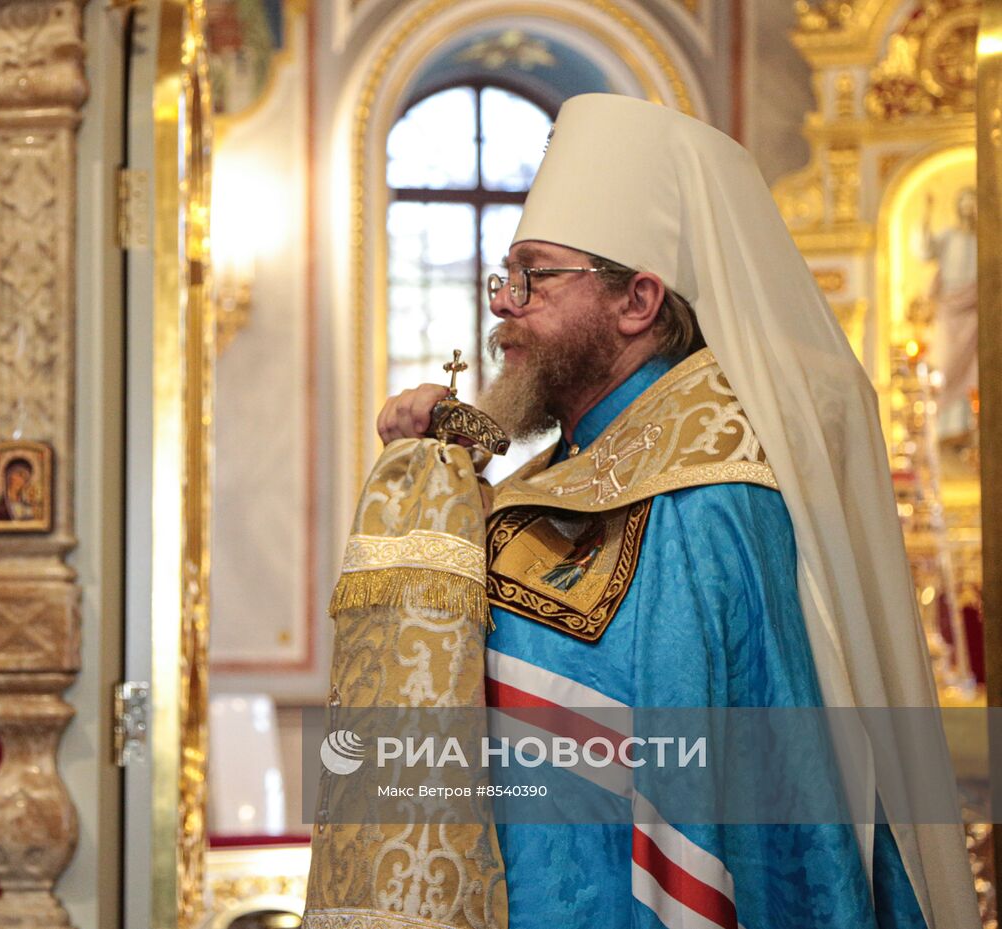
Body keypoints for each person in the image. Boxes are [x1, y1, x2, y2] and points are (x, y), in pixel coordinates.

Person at [377, 94, 977, 928]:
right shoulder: (573, 467)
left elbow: (693, 795)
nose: (503, 304)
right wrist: (435, 483)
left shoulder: (705, 499)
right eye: (505, 277)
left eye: (534, 275)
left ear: (639, 302)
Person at [915, 186, 978, 439]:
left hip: (975, 311)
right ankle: (946, 427)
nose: (968, 208)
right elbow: (924, 250)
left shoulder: (985, 238)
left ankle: (971, 426)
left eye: (973, 203)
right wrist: (927, 212)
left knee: (974, 368)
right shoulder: (949, 237)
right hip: (950, 311)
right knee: (947, 366)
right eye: (964, 203)